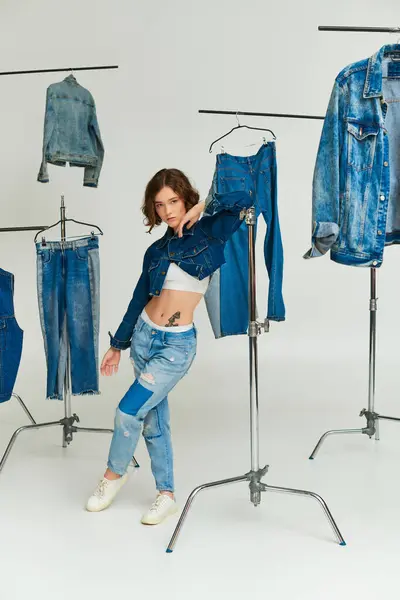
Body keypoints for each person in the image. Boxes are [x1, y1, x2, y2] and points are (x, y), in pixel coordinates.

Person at [86, 168, 252, 524]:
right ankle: (166, 494)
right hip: (145, 337)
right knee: (152, 420)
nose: (167, 211)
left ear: (185, 198)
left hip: (176, 346)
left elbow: (247, 197)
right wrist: (118, 344)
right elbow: (138, 297)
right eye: (160, 205)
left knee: (128, 412)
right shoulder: (156, 250)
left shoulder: (212, 230)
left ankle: (114, 473)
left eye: (173, 201)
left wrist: (204, 206)